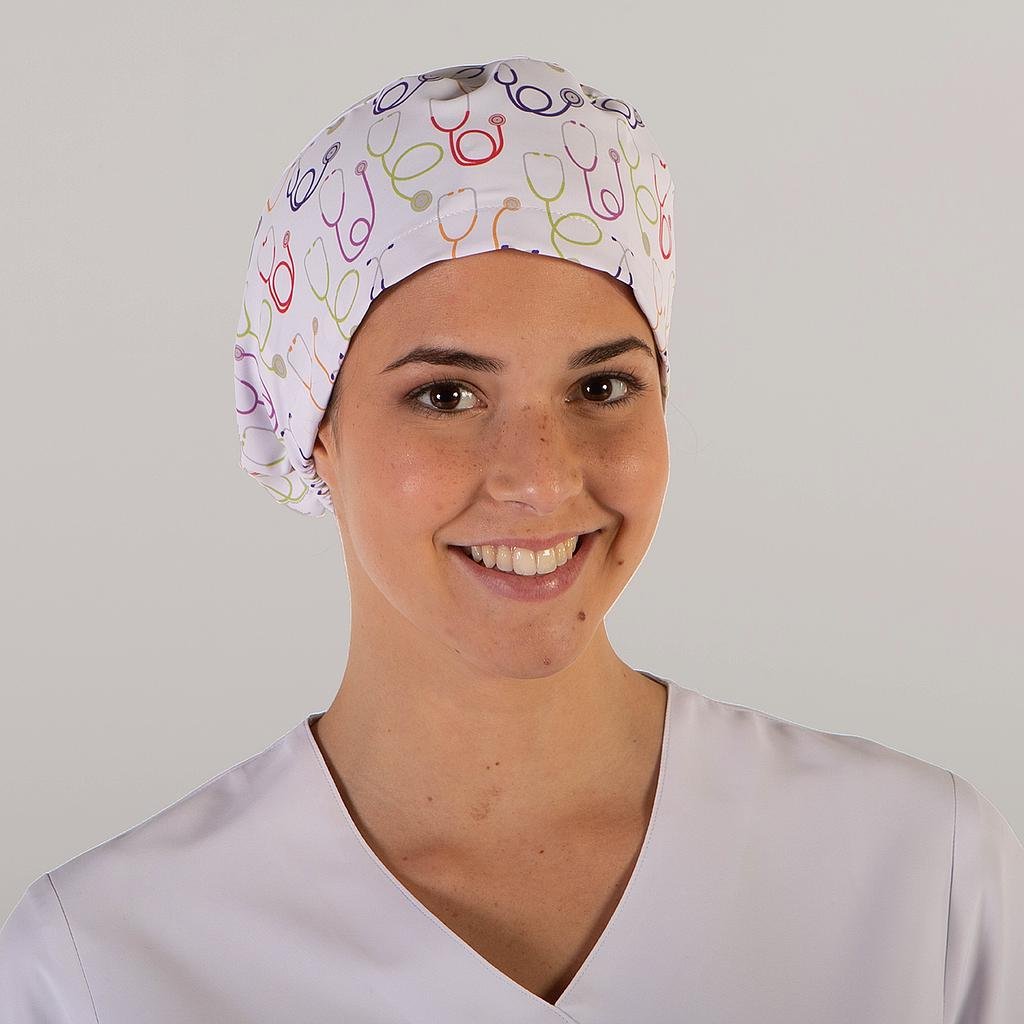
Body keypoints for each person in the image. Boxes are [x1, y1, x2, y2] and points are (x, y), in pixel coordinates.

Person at [1, 54, 1022, 1023]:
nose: (539, 477)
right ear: (311, 429)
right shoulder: (107, 962)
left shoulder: (912, 873)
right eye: (446, 395)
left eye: (602, 386)